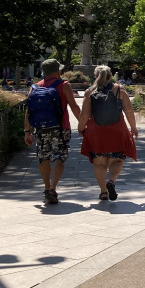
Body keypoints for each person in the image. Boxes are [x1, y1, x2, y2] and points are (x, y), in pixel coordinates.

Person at [23, 58, 82, 205]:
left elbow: (28, 111)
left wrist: (27, 131)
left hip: (41, 128)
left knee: (43, 158)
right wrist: (83, 125)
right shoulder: (64, 85)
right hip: (60, 128)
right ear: (57, 71)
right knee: (59, 158)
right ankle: (53, 189)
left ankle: (46, 187)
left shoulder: (35, 87)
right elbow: (74, 106)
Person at [78, 65, 138, 201]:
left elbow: (84, 115)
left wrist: (81, 128)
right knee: (116, 159)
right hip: (117, 130)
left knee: (99, 162)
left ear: (95, 76)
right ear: (111, 76)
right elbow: (129, 111)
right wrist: (133, 127)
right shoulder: (120, 90)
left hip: (96, 132)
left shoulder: (89, 92)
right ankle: (111, 181)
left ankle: (103, 192)